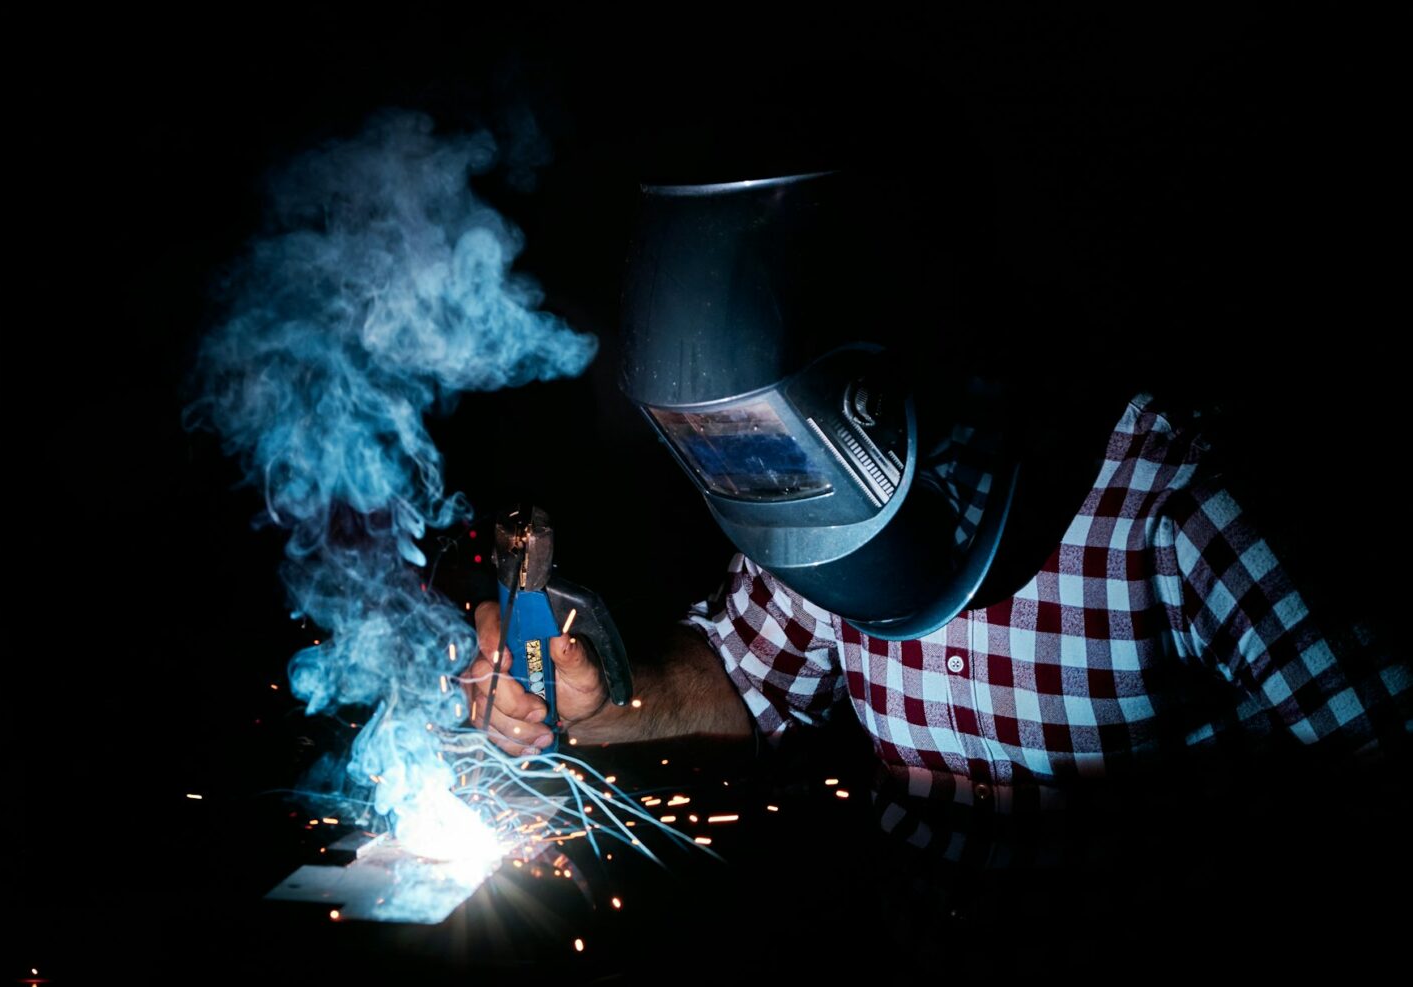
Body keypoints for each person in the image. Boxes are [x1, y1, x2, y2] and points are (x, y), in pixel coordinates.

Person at [463, 171, 1408, 811]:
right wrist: (599, 699)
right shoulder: (816, 483)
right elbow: (747, 679)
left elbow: (1380, 746)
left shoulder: (1175, 502)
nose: (792, 496)